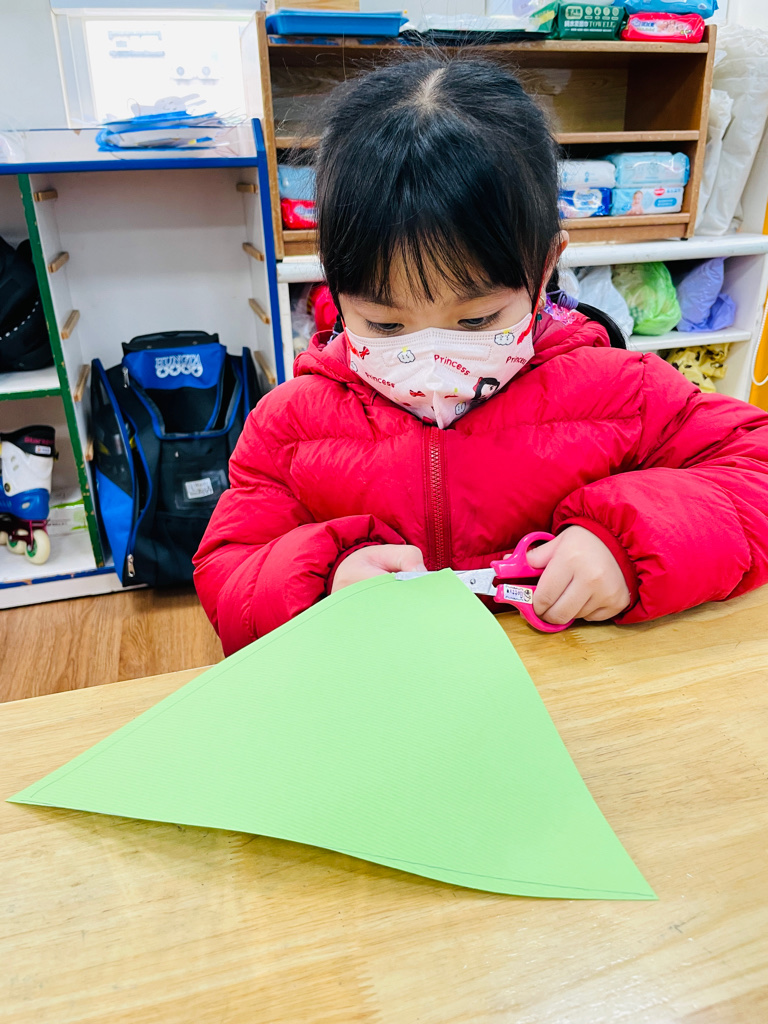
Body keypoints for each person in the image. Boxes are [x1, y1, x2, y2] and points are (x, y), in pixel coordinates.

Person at [193, 57, 768, 656]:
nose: (432, 362)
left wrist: (630, 545)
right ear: (334, 288)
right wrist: (322, 584)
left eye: (477, 320)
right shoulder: (288, 427)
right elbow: (229, 570)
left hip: (568, 689)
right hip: (388, 686)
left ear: (544, 268)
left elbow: (755, 469)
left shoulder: (624, 392)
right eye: (385, 323)